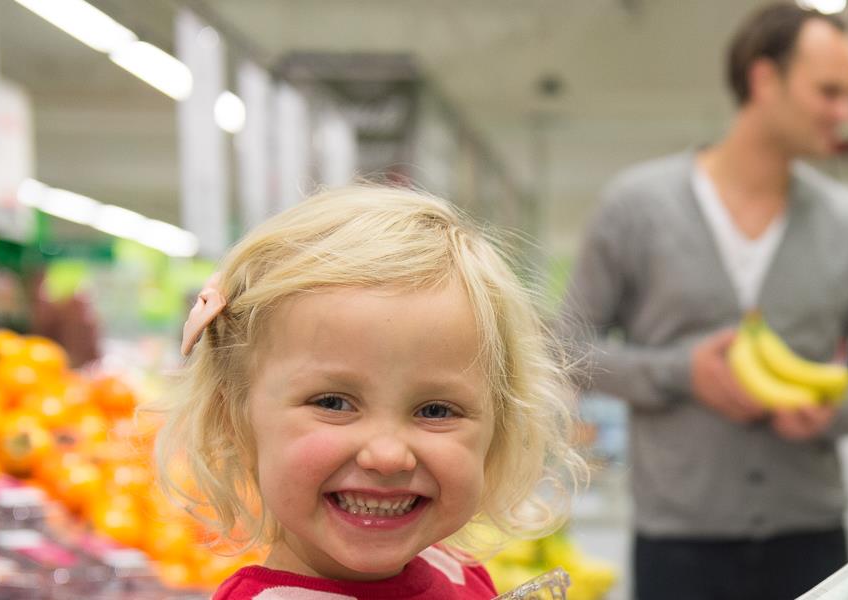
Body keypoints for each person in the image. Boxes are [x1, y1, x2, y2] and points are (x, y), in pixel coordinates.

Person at [563, 4, 848, 599]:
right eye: (829, 92)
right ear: (764, 80)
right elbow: (566, 347)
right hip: (677, 543)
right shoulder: (634, 208)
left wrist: (833, 410)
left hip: (812, 536)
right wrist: (680, 372)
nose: (846, 113)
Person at [149, 184, 585, 599]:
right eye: (333, 403)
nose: (388, 455)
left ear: (499, 428)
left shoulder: (459, 572)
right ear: (233, 419)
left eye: (435, 410)